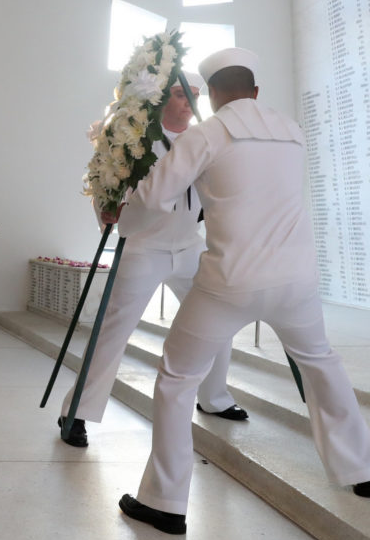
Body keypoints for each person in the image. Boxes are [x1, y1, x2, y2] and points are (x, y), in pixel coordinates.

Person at [115, 48, 370, 535]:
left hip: (230, 283)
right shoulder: (293, 133)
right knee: (320, 361)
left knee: (176, 379)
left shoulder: (207, 134)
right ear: (256, 92)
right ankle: (363, 470)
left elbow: (154, 196)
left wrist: (124, 224)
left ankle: (165, 501)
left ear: (212, 96)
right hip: (297, 281)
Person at [58, 73, 248, 449]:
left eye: (194, 96)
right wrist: (106, 211)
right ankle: (76, 411)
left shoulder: (208, 138)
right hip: (144, 247)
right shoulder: (134, 136)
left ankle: (214, 398)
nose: (188, 103)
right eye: (180, 95)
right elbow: (104, 178)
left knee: (220, 314)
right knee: (113, 332)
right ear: (161, 100)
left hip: (189, 246)